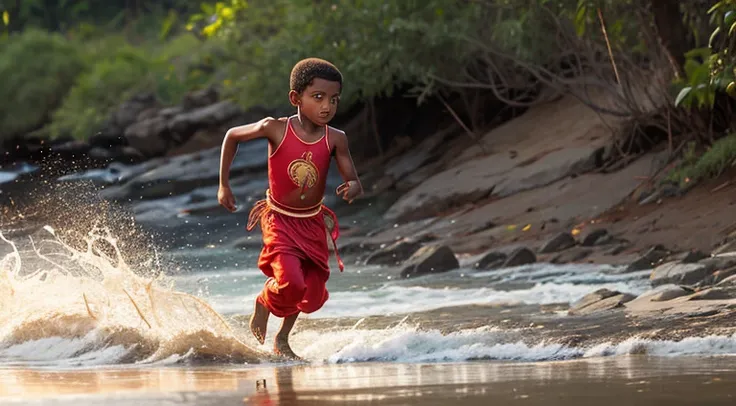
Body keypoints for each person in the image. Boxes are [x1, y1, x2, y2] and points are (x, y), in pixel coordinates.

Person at [217, 58, 363, 359]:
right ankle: (263, 302)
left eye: (333, 100)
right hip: (280, 221)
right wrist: (224, 185)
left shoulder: (336, 138)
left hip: (312, 223)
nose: (327, 107)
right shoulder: (275, 129)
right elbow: (232, 136)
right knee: (291, 282)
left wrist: (353, 188)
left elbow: (353, 177)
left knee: (310, 291)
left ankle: (282, 338)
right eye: (318, 97)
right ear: (296, 98)